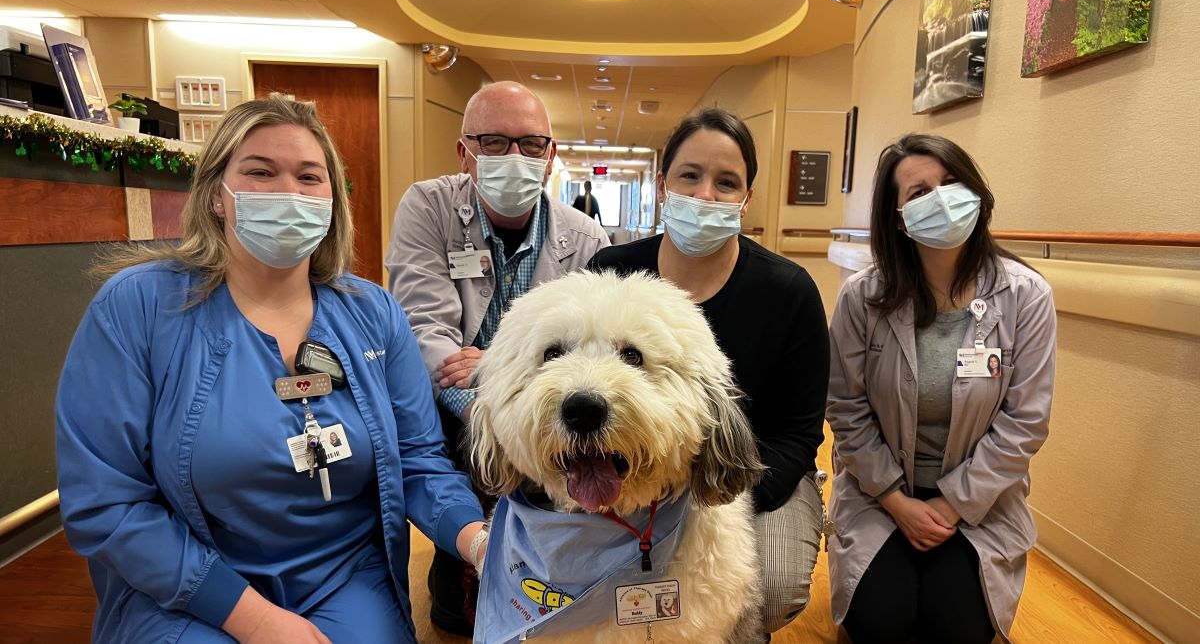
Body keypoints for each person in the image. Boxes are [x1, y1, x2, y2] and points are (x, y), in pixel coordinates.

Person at [55, 94, 487, 644]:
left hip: (343, 576)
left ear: (332, 200)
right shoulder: (138, 308)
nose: (288, 192)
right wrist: (255, 622)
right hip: (190, 583)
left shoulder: (374, 314)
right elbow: (105, 501)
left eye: (310, 178)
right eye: (260, 172)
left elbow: (418, 460)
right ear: (217, 194)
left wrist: (478, 540)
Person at [587, 107, 829, 639]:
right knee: (602, 584)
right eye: (690, 176)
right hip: (627, 471)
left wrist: (710, 498)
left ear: (747, 198)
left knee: (766, 586)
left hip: (750, 477)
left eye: (726, 183)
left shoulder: (788, 292)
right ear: (662, 184)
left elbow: (798, 434)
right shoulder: (611, 272)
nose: (705, 197)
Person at [385, 80, 609, 635]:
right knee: (453, 613)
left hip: (540, 401)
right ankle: (463, 557)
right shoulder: (429, 207)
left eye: (532, 144)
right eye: (495, 142)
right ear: (465, 152)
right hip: (452, 406)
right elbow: (426, 329)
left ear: (551, 156)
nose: (516, 157)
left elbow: (589, 349)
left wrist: (495, 371)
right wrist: (490, 402)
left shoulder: (584, 238)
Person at [826, 133, 1056, 643]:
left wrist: (951, 506)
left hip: (978, 505)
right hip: (881, 496)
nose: (941, 200)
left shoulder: (1026, 297)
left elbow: (1025, 423)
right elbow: (846, 409)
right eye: (919, 192)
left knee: (957, 626)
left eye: (951, 184)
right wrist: (896, 501)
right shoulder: (863, 298)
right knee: (881, 620)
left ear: (976, 192)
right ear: (897, 217)